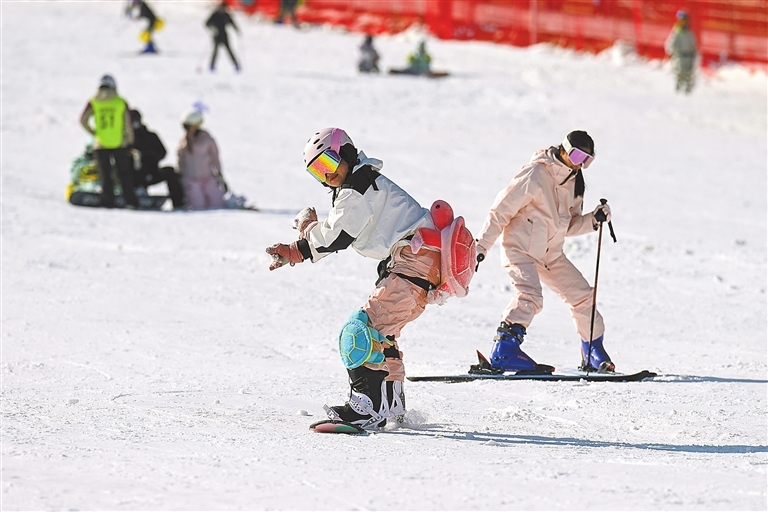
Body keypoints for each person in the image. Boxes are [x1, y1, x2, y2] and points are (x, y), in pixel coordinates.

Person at [266, 127, 475, 430]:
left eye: (328, 163)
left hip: (414, 261)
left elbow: (337, 235)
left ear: (347, 153)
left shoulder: (358, 187)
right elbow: (341, 227)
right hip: (420, 262)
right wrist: (304, 241)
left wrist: (300, 243)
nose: (327, 175)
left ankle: (365, 408)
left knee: (361, 331)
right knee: (382, 335)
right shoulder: (361, 184)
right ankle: (390, 405)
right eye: (318, 172)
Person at [474, 130, 615, 374]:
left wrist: (593, 219)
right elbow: (500, 211)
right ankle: (503, 352)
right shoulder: (536, 173)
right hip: (521, 248)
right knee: (530, 296)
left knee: (583, 295)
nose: (581, 164)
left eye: (587, 160)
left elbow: (568, 225)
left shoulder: (574, 183)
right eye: (578, 156)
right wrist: (481, 246)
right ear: (564, 149)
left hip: (551, 254)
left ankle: (592, 350)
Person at [79, 74, 138, 209]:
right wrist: (129, 141)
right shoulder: (120, 102)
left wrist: (93, 132)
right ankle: (130, 201)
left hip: (101, 143)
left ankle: (107, 201)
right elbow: (128, 124)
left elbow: (83, 120)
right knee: (124, 174)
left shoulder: (93, 101)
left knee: (105, 174)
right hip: (119, 142)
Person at [129, 109, 186, 209]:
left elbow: (162, 152)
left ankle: (178, 203)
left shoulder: (150, 136)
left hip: (151, 172)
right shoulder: (125, 138)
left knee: (169, 171)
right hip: (131, 176)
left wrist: (145, 156)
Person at [176, 110, 228, 209]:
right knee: (198, 207)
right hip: (191, 180)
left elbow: (215, 158)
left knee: (218, 205)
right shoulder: (183, 143)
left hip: (208, 179)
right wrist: (180, 176)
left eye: (188, 127)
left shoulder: (207, 140)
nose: (187, 130)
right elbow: (180, 161)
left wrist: (219, 175)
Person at [665, 10, 698, 94]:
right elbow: (670, 44)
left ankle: (688, 91)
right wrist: (671, 52)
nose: (682, 23)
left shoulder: (689, 33)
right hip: (679, 56)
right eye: (680, 21)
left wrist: (694, 54)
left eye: (684, 21)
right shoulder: (676, 32)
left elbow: (693, 45)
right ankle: (678, 89)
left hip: (688, 57)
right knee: (679, 73)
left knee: (688, 74)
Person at [206, 2, 240, 72]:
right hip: (217, 35)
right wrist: (213, 28)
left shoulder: (226, 15)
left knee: (229, 50)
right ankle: (212, 65)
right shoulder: (215, 15)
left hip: (224, 34)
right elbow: (207, 23)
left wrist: (236, 30)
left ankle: (236, 65)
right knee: (215, 51)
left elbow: (232, 23)